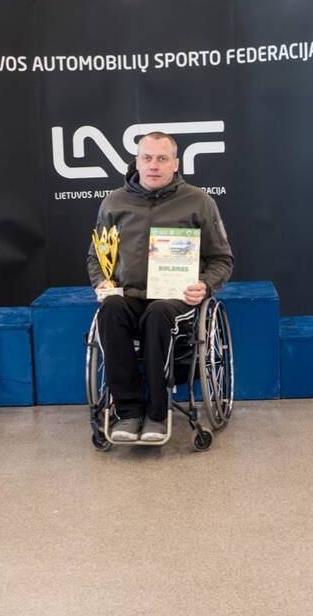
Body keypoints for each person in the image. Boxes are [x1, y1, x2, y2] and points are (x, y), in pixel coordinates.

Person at [87, 132, 233, 442]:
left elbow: (222, 259)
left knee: (158, 313)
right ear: (137, 162)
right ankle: (128, 412)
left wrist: (205, 285)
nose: (154, 165)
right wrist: (101, 281)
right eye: (147, 158)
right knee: (110, 310)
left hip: (175, 299)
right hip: (127, 296)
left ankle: (156, 413)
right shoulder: (114, 202)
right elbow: (96, 256)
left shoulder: (199, 201)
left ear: (175, 164)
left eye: (162, 158)